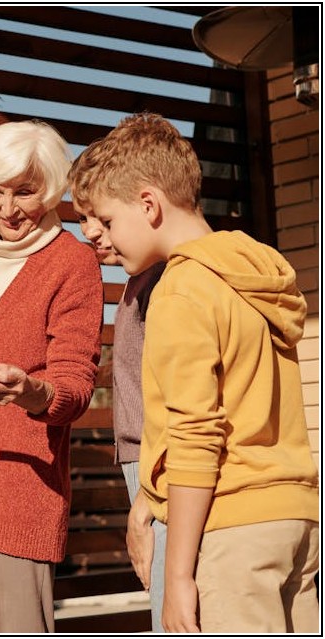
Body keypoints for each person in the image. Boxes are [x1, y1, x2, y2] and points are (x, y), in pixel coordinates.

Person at [72, 112, 319, 633]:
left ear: (149, 204)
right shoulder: (253, 269)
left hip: (232, 529)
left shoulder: (182, 289)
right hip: (296, 518)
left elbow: (195, 435)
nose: (105, 238)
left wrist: (178, 574)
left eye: (110, 222)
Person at [0, 120, 104, 633]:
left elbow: (75, 384)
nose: (8, 209)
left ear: (51, 190)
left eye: (25, 193)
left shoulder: (73, 264)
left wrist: (33, 393)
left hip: (19, 494)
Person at [70, 166, 167, 632]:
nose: (88, 231)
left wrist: (147, 499)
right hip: (146, 469)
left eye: (100, 219)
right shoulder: (136, 278)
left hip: (165, 474)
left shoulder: (164, 281)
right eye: (82, 218)